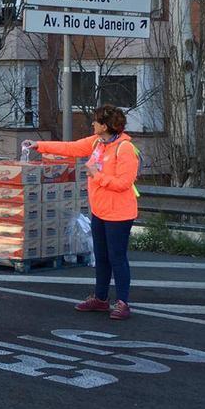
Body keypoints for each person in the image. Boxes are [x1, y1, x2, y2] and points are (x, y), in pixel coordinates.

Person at [28, 103, 139, 320]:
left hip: (119, 214)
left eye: (96, 121)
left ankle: (123, 303)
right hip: (99, 211)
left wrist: (96, 175)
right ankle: (101, 298)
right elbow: (72, 148)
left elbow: (124, 183)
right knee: (102, 256)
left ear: (105, 126)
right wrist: (39, 145)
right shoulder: (98, 142)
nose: (92, 124)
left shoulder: (124, 148)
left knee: (117, 258)